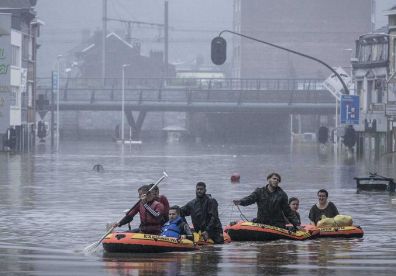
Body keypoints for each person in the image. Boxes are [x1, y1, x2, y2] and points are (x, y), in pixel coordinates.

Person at [233, 172, 300, 229]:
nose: (276, 180)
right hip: (262, 222)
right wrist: (240, 202)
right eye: (274, 178)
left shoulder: (282, 194)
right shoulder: (259, 191)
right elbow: (249, 199)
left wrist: (296, 224)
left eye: (278, 180)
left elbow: (287, 211)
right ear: (268, 179)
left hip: (277, 224)